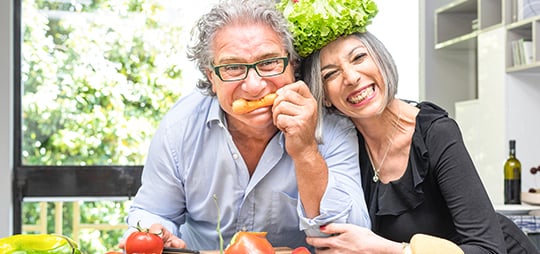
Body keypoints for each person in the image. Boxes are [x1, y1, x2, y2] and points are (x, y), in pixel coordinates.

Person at [277, 0, 540, 253]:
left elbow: (489, 249)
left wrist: (389, 250)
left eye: (358, 58)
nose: (352, 77)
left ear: (381, 60)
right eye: (331, 74)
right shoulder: (342, 146)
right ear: (324, 96)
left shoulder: (435, 132)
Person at [119, 0, 371, 251]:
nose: (253, 86)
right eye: (233, 67)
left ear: (292, 64)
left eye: (269, 62)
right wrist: (158, 232)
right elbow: (154, 211)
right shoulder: (179, 127)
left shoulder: (333, 128)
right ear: (211, 76)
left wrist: (306, 151)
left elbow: (350, 240)